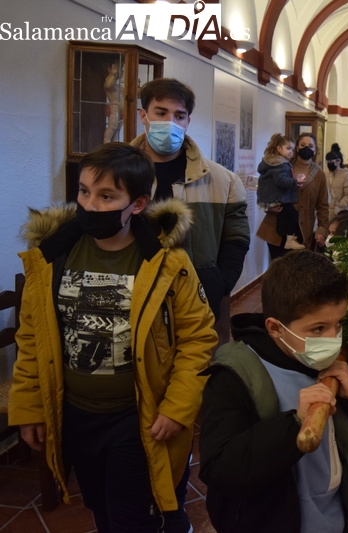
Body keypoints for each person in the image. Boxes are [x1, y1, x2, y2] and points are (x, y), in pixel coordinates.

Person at [9, 143, 218, 533]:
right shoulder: (51, 257)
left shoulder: (167, 263)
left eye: (107, 196)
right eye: (84, 191)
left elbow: (198, 339)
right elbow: (33, 338)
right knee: (100, 509)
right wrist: (30, 407)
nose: (90, 205)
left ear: (137, 204)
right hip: (75, 415)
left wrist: (178, 406)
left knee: (131, 517)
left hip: (136, 418)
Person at [199, 250, 348, 532]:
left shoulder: (326, 365)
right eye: (318, 329)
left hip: (336, 519)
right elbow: (220, 470)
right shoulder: (233, 377)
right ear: (275, 328)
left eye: (338, 324)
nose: (332, 339)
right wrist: (295, 423)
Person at [131, 78, 250, 345]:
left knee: (201, 368)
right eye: (161, 112)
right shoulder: (115, 174)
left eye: (179, 115)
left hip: (201, 305)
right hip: (132, 301)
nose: (170, 122)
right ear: (144, 115)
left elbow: (236, 240)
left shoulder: (224, 181)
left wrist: (218, 285)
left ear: (188, 121)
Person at [257, 132, 330, 259]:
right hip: (277, 225)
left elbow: (323, 205)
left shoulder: (319, 174)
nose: (306, 148)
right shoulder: (283, 165)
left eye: (310, 146)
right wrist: (269, 207)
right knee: (278, 266)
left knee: (299, 267)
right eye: (302, 145)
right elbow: (266, 187)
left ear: (315, 150)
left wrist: (322, 230)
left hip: (303, 228)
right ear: (297, 148)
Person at [257, 133, 305, 251]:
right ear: (278, 148)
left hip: (269, 198)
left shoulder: (271, 162)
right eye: (288, 148)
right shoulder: (280, 164)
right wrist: (295, 181)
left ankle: (289, 239)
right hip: (276, 199)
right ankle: (290, 239)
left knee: (287, 215)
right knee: (292, 213)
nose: (291, 152)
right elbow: (281, 181)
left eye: (292, 149)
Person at [325, 146, 348, 222]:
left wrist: (339, 206)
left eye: (331, 161)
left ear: (338, 161)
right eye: (327, 162)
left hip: (341, 213)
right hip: (327, 213)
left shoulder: (347, 175)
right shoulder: (326, 175)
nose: (329, 164)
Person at [103, 62, 123, 143]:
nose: (121, 71)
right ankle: (107, 145)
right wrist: (113, 74)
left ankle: (114, 146)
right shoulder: (109, 85)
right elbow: (108, 85)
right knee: (112, 127)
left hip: (121, 111)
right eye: (119, 69)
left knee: (117, 131)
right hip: (115, 109)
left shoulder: (119, 86)